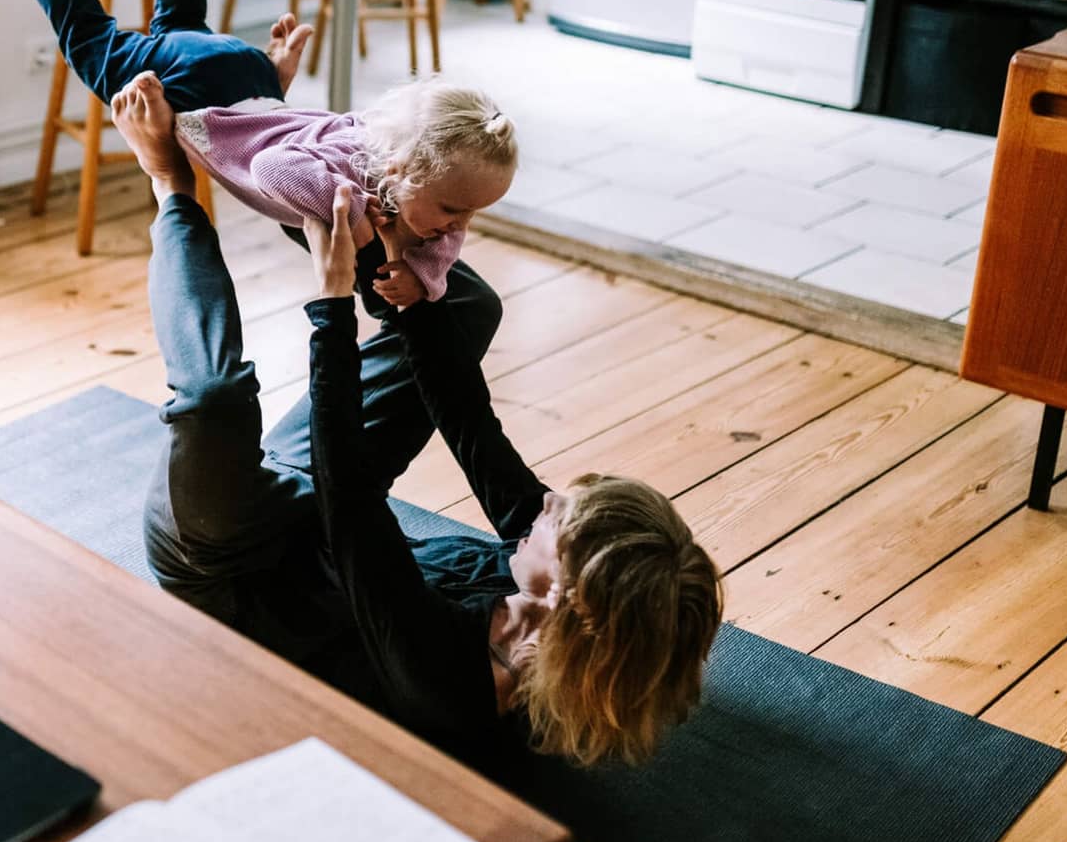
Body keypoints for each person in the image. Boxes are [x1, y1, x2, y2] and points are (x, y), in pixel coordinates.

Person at [106, 74, 723, 770]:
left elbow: (354, 498)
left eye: (555, 520)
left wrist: (333, 302)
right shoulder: (562, 605)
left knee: (216, 398)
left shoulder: (448, 679)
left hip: (229, 555)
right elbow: (470, 424)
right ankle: (319, 172)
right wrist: (406, 293)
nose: (543, 503)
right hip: (320, 504)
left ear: (569, 595)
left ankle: (171, 183)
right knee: (462, 308)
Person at [0, 0, 518, 309]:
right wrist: (351, 220)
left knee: (178, 27)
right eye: (453, 210)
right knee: (90, 40)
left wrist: (425, 279)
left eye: (469, 214)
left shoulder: (413, 170)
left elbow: (442, 243)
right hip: (196, 95)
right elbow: (274, 168)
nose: (458, 226)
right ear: (401, 171)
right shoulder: (355, 180)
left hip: (249, 74)